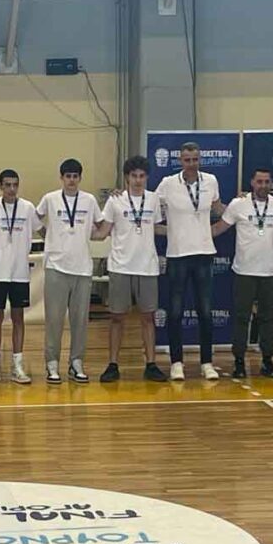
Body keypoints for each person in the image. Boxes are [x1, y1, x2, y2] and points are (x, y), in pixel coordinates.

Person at [155, 142, 225, 382]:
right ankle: (176, 363)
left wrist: (243, 205)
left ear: (200, 159)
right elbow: (149, 207)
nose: (192, 164)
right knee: (175, 312)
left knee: (205, 312)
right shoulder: (167, 184)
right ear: (180, 161)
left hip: (204, 254)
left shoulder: (211, 181)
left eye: (195, 159)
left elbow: (218, 209)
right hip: (177, 255)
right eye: (187, 160)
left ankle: (207, 363)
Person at [36, 158, 108, 385]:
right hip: (56, 267)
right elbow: (35, 219)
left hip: (82, 268)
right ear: (61, 178)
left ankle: (76, 362)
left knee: (80, 321)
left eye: (75, 176)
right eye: (68, 176)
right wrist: (49, 237)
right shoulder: (50, 198)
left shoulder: (89, 200)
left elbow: (101, 227)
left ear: (80, 178)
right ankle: (52, 363)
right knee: (54, 319)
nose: (71, 180)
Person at [213, 168, 273, 379]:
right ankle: (238, 362)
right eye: (259, 181)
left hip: (270, 272)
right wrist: (190, 235)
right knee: (241, 318)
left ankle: (267, 360)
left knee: (268, 318)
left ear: (271, 183)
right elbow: (218, 228)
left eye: (267, 181)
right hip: (244, 271)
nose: (263, 185)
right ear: (252, 183)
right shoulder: (238, 204)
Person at [99, 156, 167, 383]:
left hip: (147, 266)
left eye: (142, 176)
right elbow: (103, 231)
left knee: (148, 317)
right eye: (134, 176)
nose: (138, 180)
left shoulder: (154, 199)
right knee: (117, 317)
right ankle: (112, 364)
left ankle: (151, 364)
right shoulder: (115, 200)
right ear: (127, 177)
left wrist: (187, 231)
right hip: (120, 265)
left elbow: (155, 228)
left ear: (147, 177)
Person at [0, 168, 41, 384]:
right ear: (0, 186)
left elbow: (42, 228)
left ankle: (18, 365)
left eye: (15, 185)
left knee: (18, 318)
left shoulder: (28, 207)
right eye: (7, 185)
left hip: (20, 273)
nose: (12, 189)